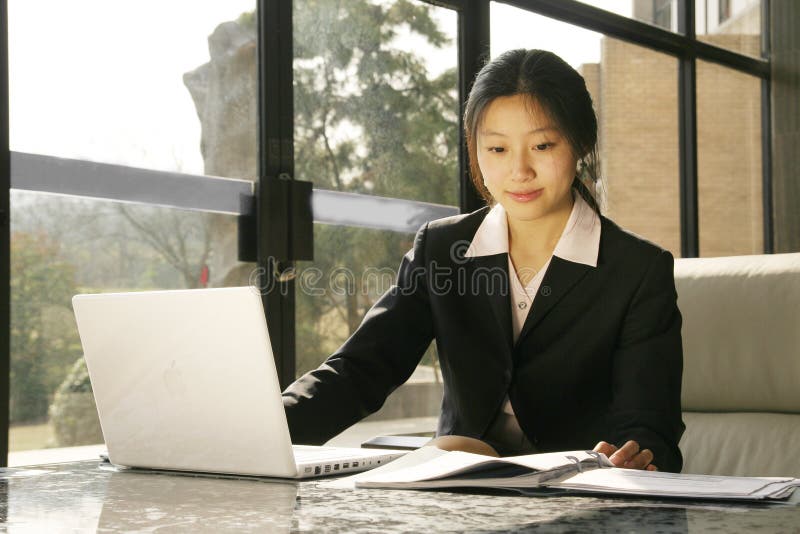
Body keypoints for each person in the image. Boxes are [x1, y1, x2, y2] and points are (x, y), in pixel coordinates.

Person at [282, 49, 685, 472]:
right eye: (496, 149)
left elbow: (650, 424)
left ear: (581, 142)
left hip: (579, 495)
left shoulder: (639, 270)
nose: (519, 171)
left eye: (543, 145)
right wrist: (266, 430)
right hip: (457, 487)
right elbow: (360, 370)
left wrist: (635, 457)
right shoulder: (441, 248)